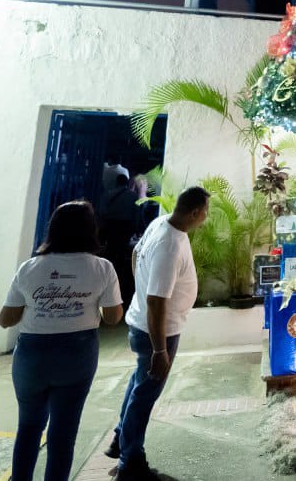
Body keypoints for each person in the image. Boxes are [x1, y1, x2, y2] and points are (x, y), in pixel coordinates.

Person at [0, 201, 122, 481]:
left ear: (52, 229)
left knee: (29, 427)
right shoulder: (103, 268)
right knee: (63, 433)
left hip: (32, 356)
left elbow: (6, 319)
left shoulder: (29, 268)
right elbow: (114, 318)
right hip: (77, 356)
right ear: (91, 230)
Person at [107, 186, 210, 480]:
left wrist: (139, 289)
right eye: (205, 211)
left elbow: (136, 253)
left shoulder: (160, 224)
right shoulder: (170, 246)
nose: (206, 216)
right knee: (145, 394)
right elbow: (156, 301)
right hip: (158, 332)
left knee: (138, 384)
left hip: (145, 323)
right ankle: (131, 463)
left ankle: (120, 437)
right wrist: (160, 350)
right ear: (194, 213)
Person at [100, 169, 141, 308]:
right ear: (127, 182)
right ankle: (119, 272)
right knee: (122, 248)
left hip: (111, 224)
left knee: (110, 247)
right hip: (125, 225)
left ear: (116, 182)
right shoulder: (132, 196)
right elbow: (136, 213)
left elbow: (102, 211)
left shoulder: (108, 194)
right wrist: (135, 227)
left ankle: (108, 269)